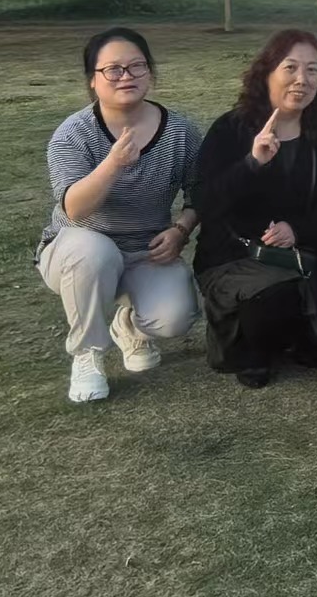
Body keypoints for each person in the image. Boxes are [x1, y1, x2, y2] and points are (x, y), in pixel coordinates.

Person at [194, 29, 317, 386]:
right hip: (237, 255)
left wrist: (298, 230)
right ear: (266, 73)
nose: (301, 79)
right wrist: (252, 163)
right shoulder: (232, 129)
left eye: (312, 69)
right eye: (290, 67)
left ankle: (296, 335)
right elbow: (206, 201)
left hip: (306, 249)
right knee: (273, 299)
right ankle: (252, 348)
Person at [34, 28, 201, 403]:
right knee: (94, 252)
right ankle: (87, 355)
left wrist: (180, 229)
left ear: (150, 72)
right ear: (93, 80)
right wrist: (112, 164)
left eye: (137, 66)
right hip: (76, 250)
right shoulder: (73, 134)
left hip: (146, 249)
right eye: (112, 69)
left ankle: (130, 327)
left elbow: (200, 192)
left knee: (175, 318)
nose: (126, 76)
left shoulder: (180, 131)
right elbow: (75, 208)